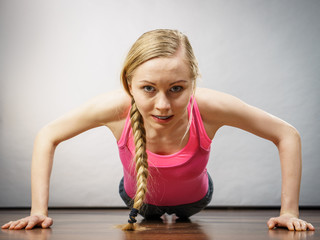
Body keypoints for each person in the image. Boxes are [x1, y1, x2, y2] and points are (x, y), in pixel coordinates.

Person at [1, 29, 315, 231]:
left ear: (193, 82)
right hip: (136, 198)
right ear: (129, 85)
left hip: (196, 200)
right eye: (149, 88)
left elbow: (286, 134)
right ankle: (153, 213)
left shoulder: (210, 107)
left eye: (177, 89)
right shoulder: (115, 108)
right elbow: (48, 134)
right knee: (148, 213)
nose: (163, 105)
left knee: (181, 213)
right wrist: (38, 210)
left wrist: (288, 211)